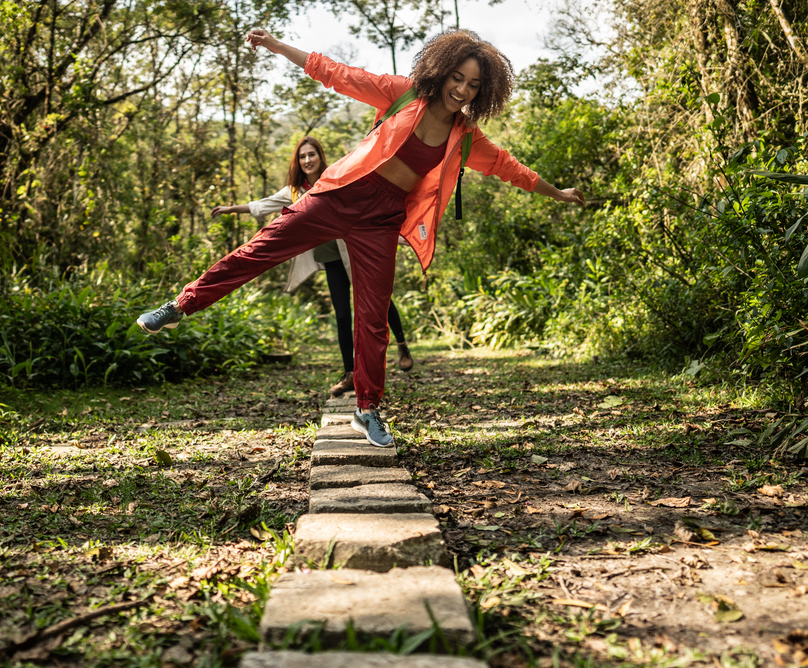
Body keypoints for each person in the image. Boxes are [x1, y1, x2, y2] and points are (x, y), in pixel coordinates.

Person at [139, 28, 585, 448]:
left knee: (372, 317)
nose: (462, 90)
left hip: (383, 219)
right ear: (440, 71)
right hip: (338, 195)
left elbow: (511, 169)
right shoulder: (402, 93)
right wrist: (277, 46)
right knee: (259, 251)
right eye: (457, 78)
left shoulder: (466, 137)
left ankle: (368, 408)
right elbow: (334, 72)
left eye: (473, 85)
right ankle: (181, 306)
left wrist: (559, 193)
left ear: (482, 92)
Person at [210, 136, 415, 396]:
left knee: (379, 300)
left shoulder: (337, 177)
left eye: (312, 155)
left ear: (320, 156)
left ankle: (402, 343)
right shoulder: (294, 192)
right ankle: (349, 373)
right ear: (298, 161)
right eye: (302, 156)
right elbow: (263, 205)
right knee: (342, 316)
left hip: (354, 251)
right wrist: (230, 209)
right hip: (330, 258)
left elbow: (365, 205)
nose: (307, 160)